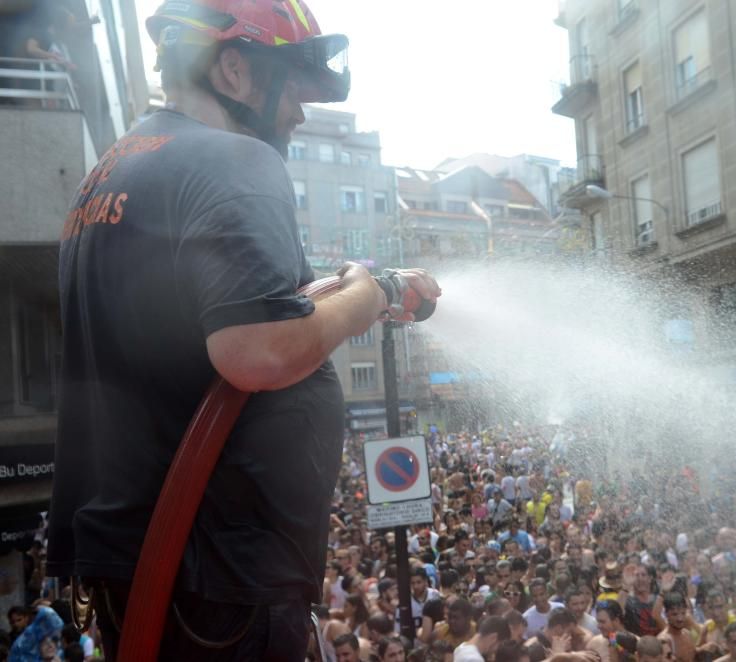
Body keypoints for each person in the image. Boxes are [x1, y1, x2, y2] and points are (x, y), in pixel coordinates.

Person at [46, 0, 441, 658]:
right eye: (292, 88)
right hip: (217, 578)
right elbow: (256, 352)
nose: (300, 112)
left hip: (152, 574)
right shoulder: (235, 161)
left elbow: (226, 307)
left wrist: (360, 288)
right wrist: (364, 298)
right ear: (233, 70)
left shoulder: (112, 173)